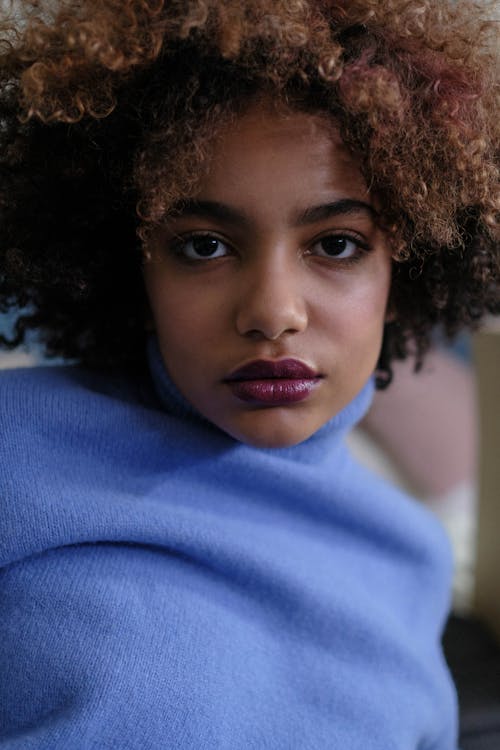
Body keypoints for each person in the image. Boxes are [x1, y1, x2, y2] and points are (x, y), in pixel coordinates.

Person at [0, 1, 498, 748]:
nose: (272, 312)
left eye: (335, 244)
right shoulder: (16, 446)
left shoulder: (410, 558)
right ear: (131, 265)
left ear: (411, 264)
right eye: (203, 246)